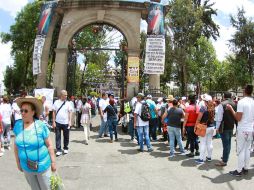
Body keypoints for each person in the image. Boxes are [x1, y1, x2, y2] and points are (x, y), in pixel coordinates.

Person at [13, 96, 56, 189]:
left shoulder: (40, 125)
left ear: (33, 112)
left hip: (43, 166)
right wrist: (18, 163)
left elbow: (49, 145)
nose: (23, 113)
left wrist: (53, 162)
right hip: (26, 166)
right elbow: (16, 146)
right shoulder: (18, 125)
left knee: (46, 188)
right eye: (22, 110)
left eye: (26, 111)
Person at [227, 85, 254, 176]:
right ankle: (245, 168)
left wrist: (231, 109)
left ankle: (239, 170)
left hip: (243, 128)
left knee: (241, 150)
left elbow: (238, 118)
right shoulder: (253, 102)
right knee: (247, 149)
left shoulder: (242, 102)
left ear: (245, 91)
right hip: (250, 128)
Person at [215, 92, 236, 167]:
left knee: (226, 144)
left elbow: (219, 118)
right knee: (228, 143)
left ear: (224, 96)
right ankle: (226, 156)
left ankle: (224, 160)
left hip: (224, 127)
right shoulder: (234, 103)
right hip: (231, 126)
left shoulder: (222, 104)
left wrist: (217, 128)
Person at [195, 94, 215, 164]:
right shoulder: (213, 108)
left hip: (204, 127)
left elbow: (198, 119)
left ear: (205, 101)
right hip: (212, 127)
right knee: (210, 142)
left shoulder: (203, 108)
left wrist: (196, 126)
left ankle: (201, 159)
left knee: (203, 143)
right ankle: (209, 157)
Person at [52, 90, 73, 156]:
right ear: (61, 95)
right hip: (58, 122)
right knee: (57, 136)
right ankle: (58, 149)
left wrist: (70, 121)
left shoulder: (68, 103)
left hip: (66, 122)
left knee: (66, 136)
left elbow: (70, 112)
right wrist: (53, 122)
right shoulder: (56, 102)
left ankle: (65, 148)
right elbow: (54, 112)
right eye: (65, 95)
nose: (66, 96)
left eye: (66, 95)